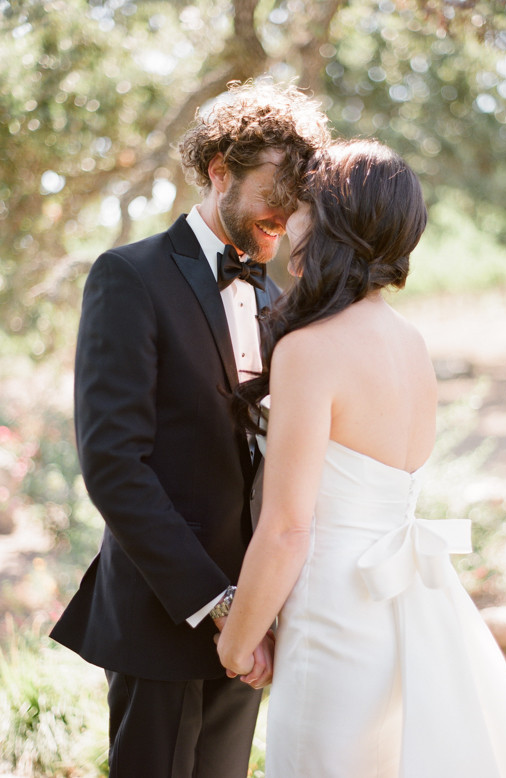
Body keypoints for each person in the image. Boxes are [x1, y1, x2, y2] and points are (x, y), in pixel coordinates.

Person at [216, 139, 506, 777]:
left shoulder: (312, 350)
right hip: (405, 608)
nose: (289, 224)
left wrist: (237, 640)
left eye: (303, 208)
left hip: (331, 617)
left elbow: (287, 529)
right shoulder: (410, 343)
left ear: (330, 222)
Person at [49, 81, 330, 778]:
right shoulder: (128, 275)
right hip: (165, 609)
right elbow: (113, 463)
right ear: (219, 172)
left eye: (299, 197)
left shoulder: (275, 294)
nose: (286, 212)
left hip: (252, 619)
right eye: (274, 189)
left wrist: (256, 604)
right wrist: (217, 602)